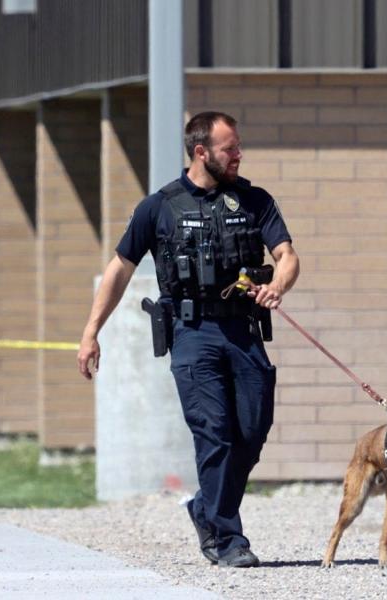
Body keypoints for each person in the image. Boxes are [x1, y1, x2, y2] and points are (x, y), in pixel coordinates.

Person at [77, 111, 299, 568]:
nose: (238, 155)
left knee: (252, 432)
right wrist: (91, 331)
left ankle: (205, 508)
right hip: (192, 333)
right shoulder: (159, 207)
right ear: (202, 152)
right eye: (229, 148)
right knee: (213, 433)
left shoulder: (255, 201)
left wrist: (278, 283)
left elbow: (287, 255)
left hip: (244, 330)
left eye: (238, 146)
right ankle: (225, 538)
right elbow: (120, 267)